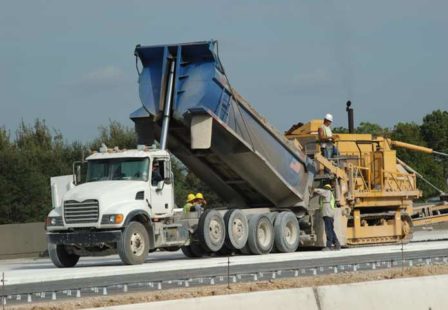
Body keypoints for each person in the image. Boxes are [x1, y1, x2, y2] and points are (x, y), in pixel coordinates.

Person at [314, 183, 341, 251]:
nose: (324, 189)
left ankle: (328, 246)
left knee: (328, 230)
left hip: (328, 214)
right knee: (331, 230)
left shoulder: (327, 192)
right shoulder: (328, 194)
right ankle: (337, 244)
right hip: (329, 214)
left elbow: (321, 191)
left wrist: (314, 189)